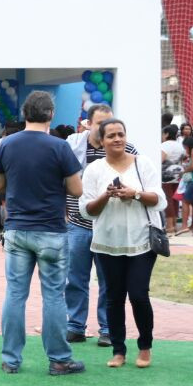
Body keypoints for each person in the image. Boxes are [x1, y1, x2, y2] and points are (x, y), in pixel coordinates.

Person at [0, 91, 85, 376]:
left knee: (15, 294)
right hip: (51, 230)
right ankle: (59, 359)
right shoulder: (59, 146)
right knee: (54, 296)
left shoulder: (7, 144)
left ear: (25, 113)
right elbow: (76, 189)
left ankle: (10, 359)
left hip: (17, 228)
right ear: (51, 114)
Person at [79, 118, 165, 369]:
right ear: (102, 140)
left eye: (121, 134)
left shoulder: (142, 163)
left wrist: (134, 194)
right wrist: (106, 195)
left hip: (142, 241)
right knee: (114, 297)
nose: (117, 139)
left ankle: (145, 347)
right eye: (111, 135)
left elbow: (159, 200)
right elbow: (86, 210)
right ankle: (118, 350)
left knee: (138, 295)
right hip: (107, 243)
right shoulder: (94, 169)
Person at [64, 104, 135, 346]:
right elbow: (60, 177)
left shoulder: (127, 149)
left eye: (110, 122)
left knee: (110, 279)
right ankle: (75, 325)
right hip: (78, 224)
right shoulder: (73, 147)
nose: (107, 128)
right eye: (100, 123)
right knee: (75, 277)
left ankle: (108, 328)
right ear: (88, 124)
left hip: (110, 225)